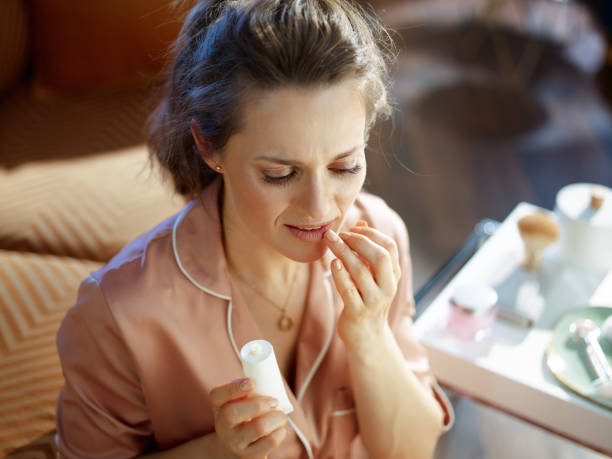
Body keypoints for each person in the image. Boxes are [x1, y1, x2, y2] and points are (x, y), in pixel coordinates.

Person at [55, 0, 454, 458]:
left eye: (345, 165)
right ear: (208, 146)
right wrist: (216, 452)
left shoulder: (381, 235)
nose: (321, 207)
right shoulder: (120, 313)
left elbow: (413, 452)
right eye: (280, 174)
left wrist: (369, 335)